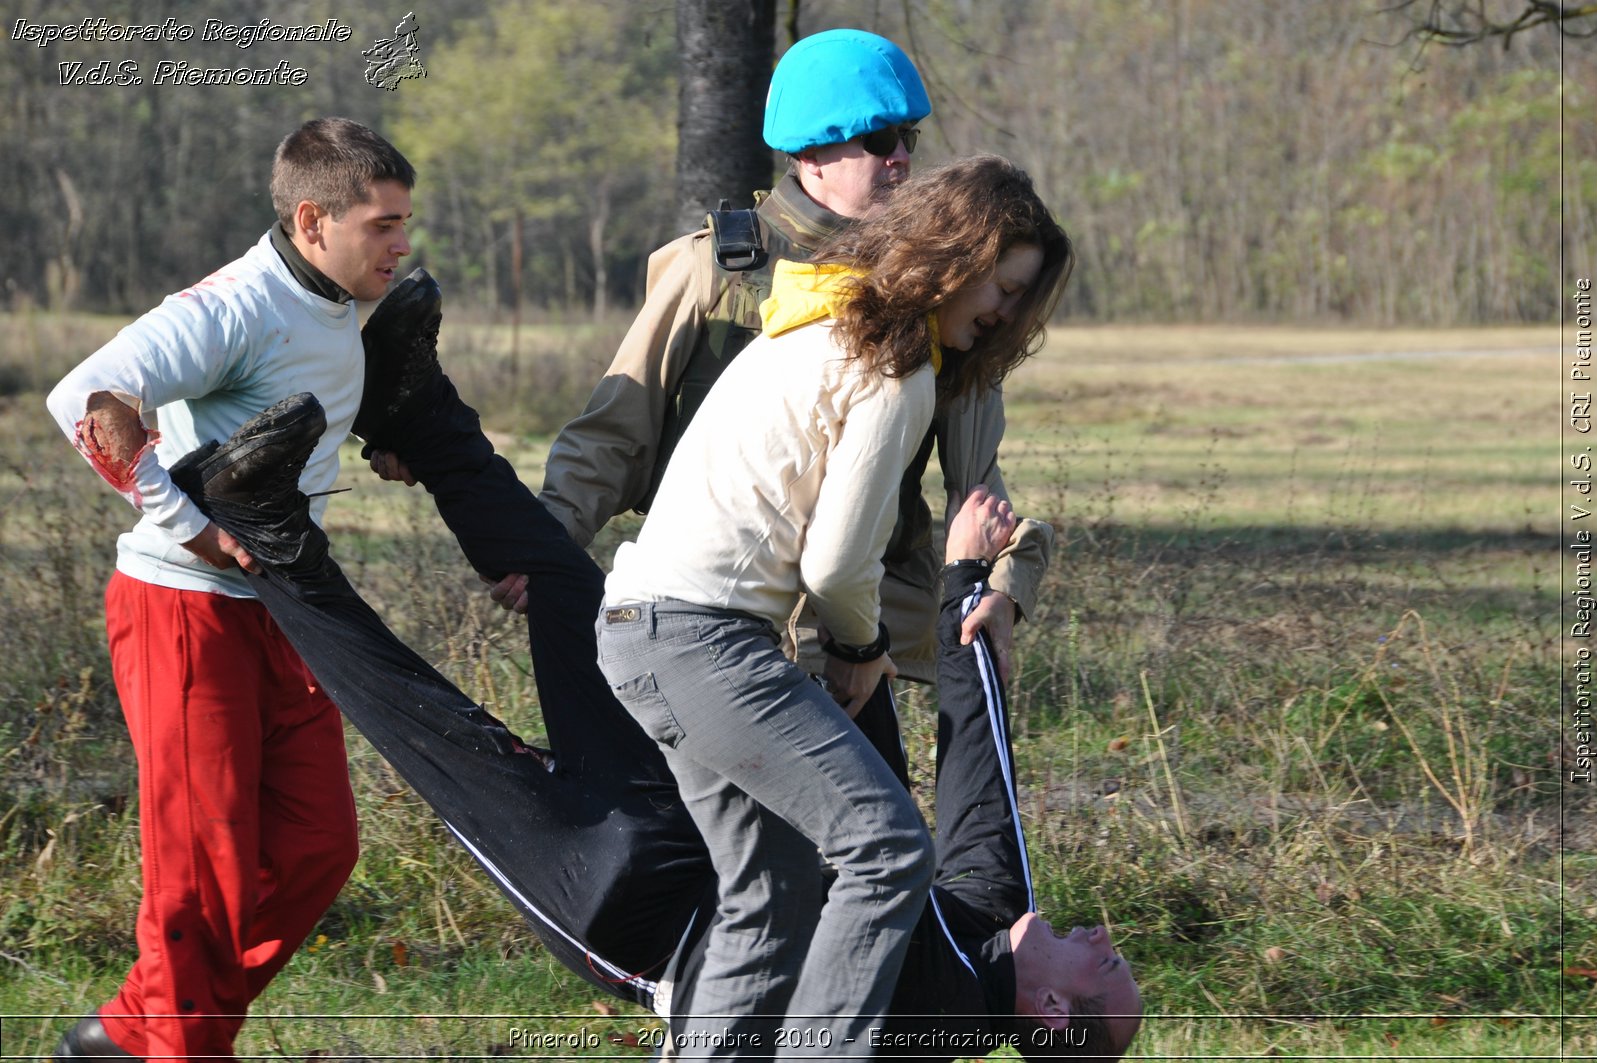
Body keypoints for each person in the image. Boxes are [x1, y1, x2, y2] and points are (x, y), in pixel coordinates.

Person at [169, 387, 1143, 1061]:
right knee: (574, 594)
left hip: (628, 916)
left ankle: (264, 525)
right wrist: (967, 586)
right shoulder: (986, 917)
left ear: (1050, 1009)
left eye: (1101, 957)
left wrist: (862, 663)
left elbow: (864, 821)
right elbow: (980, 767)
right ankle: (425, 410)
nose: (1099, 928)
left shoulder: (931, 1017)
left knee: (420, 717)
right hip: (688, 813)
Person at [441, 27, 1054, 789]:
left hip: (844, 639)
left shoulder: (936, 294)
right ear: (811, 153)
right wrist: (549, 540)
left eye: (909, 139)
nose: (901, 157)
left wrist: (1004, 588)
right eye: (878, 138)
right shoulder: (717, 269)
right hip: (712, 618)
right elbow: (616, 427)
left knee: (871, 845)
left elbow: (979, 487)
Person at [593, 154, 1074, 1056]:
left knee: (769, 889)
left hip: (642, 628)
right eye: (1001, 287)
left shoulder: (827, 318)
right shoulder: (898, 369)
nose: (1006, 312)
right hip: (702, 639)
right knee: (888, 849)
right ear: (956, 255)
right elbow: (840, 559)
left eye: (1021, 297)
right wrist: (860, 648)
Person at [43, 117, 420, 1061]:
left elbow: (300, 398)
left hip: (286, 614)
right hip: (182, 610)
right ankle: (174, 1043)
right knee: (198, 875)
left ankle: (137, 1028)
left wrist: (384, 438)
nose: (401, 243)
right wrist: (189, 524)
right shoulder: (234, 305)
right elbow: (86, 398)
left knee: (317, 846)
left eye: (405, 222)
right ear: (311, 219)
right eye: (381, 224)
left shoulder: (338, 302)